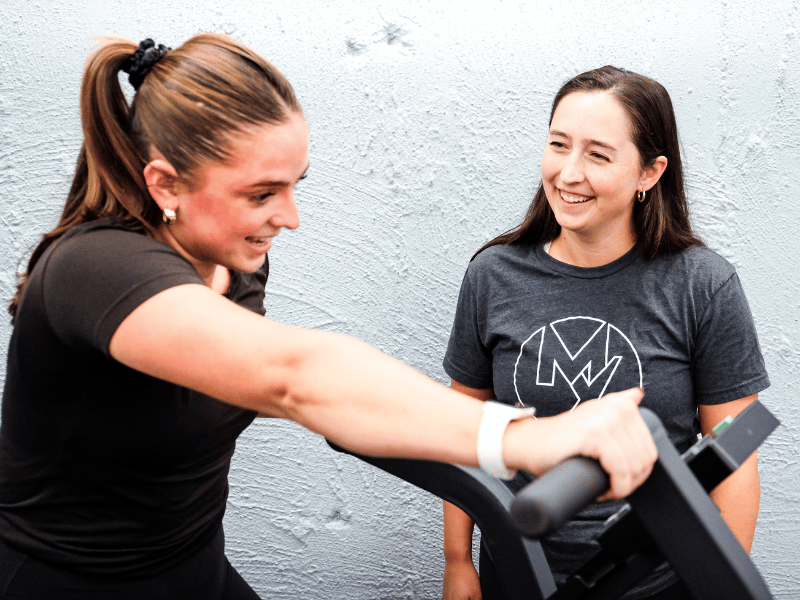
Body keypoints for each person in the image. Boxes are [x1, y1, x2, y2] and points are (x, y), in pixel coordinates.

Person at [0, 37, 657, 600]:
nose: (290, 218)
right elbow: (296, 376)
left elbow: (314, 394)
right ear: (165, 184)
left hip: (191, 563)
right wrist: (525, 438)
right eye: (261, 194)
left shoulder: (232, 255)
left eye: (295, 185)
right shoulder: (93, 269)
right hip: (65, 580)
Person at [441, 66, 769, 600]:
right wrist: (458, 563)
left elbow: (736, 450)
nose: (569, 173)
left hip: (659, 580)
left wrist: (722, 585)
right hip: (518, 571)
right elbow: (461, 432)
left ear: (650, 172)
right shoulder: (492, 275)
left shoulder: (703, 283)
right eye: (558, 145)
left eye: (598, 154)